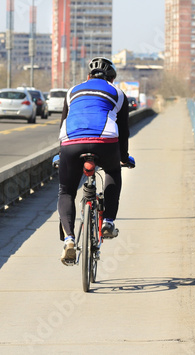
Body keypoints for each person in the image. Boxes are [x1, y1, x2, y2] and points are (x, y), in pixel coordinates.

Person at [57, 56, 135, 265]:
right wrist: (124, 157)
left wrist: (60, 153)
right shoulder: (118, 94)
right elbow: (124, 130)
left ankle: (70, 240)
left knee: (66, 191)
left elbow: (64, 123)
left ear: (88, 76)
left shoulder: (72, 91)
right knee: (112, 172)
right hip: (105, 140)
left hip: (71, 143)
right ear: (111, 79)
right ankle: (108, 221)